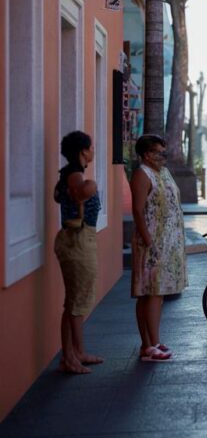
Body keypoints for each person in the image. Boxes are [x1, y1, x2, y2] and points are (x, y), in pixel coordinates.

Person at [130, 134, 188, 362]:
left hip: (168, 243)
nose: (164, 156)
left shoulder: (162, 172)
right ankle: (150, 343)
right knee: (151, 293)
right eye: (159, 153)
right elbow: (137, 210)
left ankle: (151, 342)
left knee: (156, 293)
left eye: (164, 152)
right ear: (146, 155)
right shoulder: (142, 175)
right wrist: (148, 241)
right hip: (153, 242)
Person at [53, 131, 104, 374]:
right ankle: (73, 356)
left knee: (74, 301)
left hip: (79, 239)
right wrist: (91, 185)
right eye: (91, 147)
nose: (93, 151)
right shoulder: (75, 176)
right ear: (83, 151)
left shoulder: (71, 174)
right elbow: (79, 193)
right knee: (77, 301)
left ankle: (73, 353)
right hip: (77, 240)